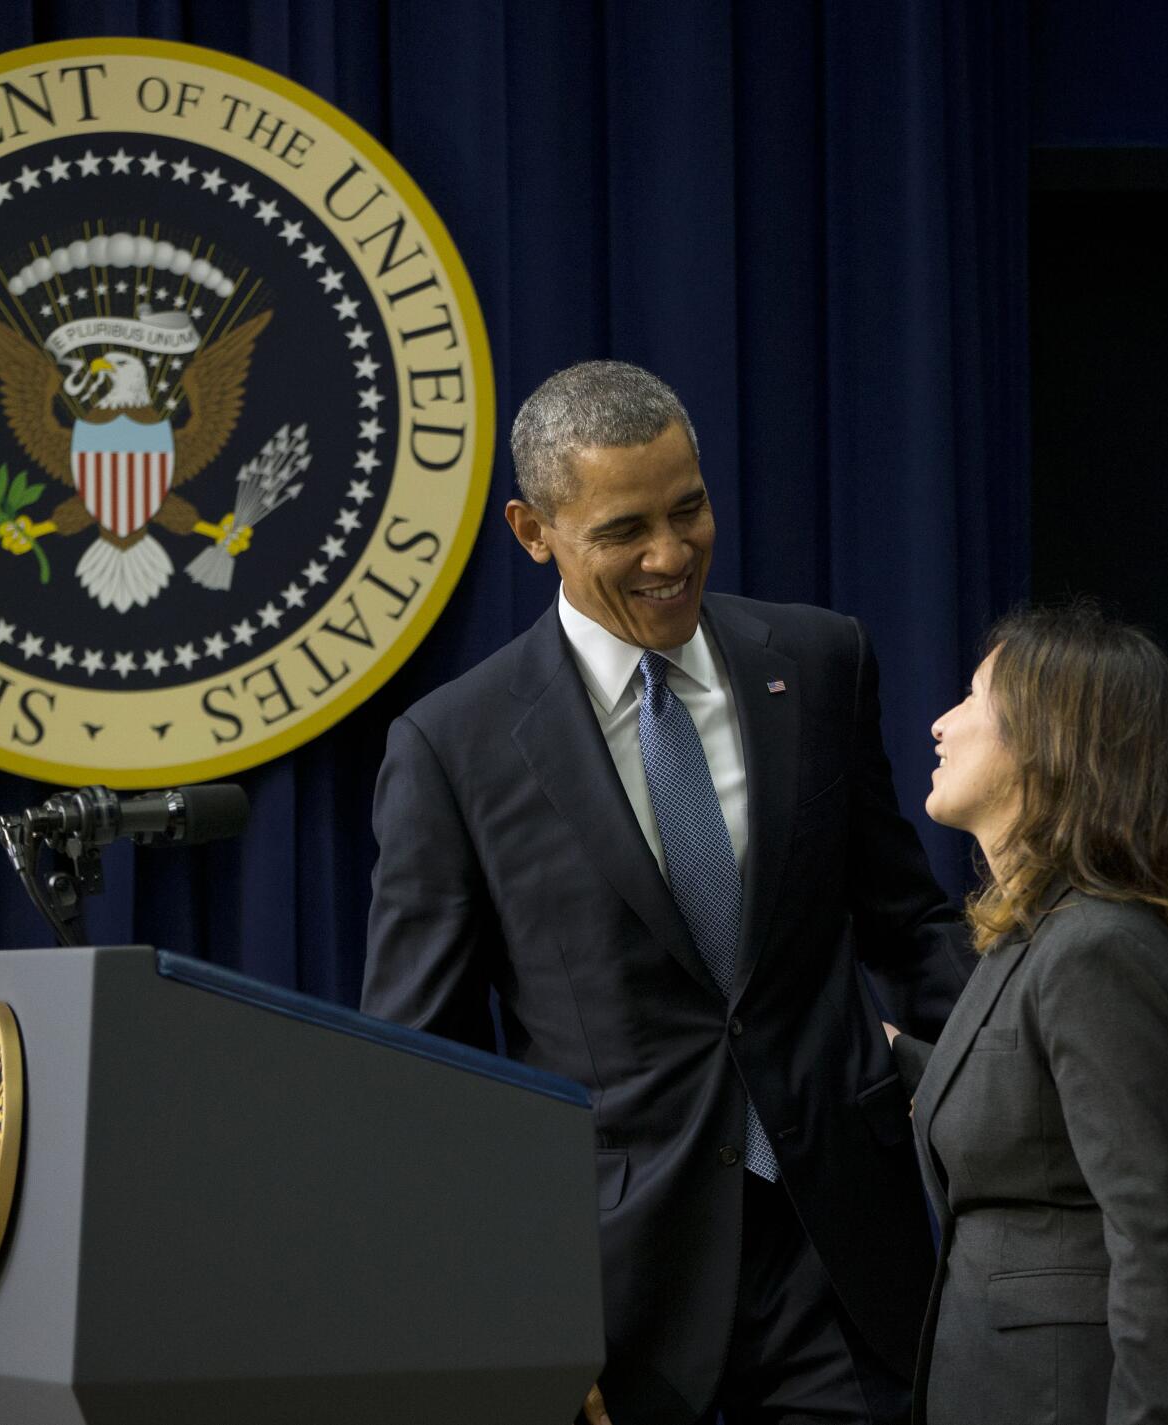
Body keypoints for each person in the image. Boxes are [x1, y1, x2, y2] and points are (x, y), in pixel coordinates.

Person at [362, 360, 970, 1424]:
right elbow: (425, 1080)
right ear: (531, 530)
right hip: (616, 1301)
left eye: (688, 509)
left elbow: (906, 922)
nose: (668, 555)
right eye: (622, 530)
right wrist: (516, 1321)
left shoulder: (819, 663)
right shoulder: (453, 749)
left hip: (842, 1264)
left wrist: (1004, 1101)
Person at [888, 604, 1168, 1425]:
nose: (940, 724)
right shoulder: (1039, 940)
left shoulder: (1097, 948)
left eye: (971, 699)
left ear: (1048, 741)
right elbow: (1032, 1130)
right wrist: (880, 1047)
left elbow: (1159, 1241)